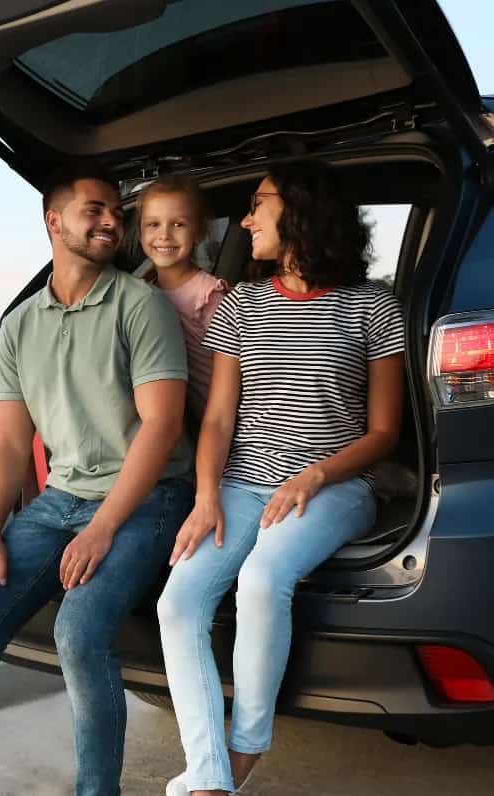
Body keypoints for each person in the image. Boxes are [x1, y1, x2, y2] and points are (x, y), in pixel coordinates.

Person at [0, 162, 194, 796]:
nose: (110, 222)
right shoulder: (20, 326)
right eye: (93, 210)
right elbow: (10, 442)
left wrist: (103, 528)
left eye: (115, 213)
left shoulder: (140, 305)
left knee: (77, 633)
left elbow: (162, 427)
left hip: (148, 498)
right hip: (59, 501)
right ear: (54, 222)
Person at [158, 159, 405, 796]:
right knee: (177, 604)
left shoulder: (373, 306)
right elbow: (218, 418)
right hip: (242, 484)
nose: (246, 221)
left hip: (338, 486)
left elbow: (385, 433)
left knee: (263, 578)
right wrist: (206, 497)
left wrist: (314, 477)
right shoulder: (240, 304)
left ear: (300, 209)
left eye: (257, 205)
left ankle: (244, 751)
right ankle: (209, 777)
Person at [136, 175, 228, 425]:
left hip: (216, 420)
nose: (164, 235)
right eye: (153, 224)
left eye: (178, 224)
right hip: (176, 418)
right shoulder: (142, 292)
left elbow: (234, 371)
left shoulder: (209, 295)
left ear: (198, 232)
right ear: (140, 232)